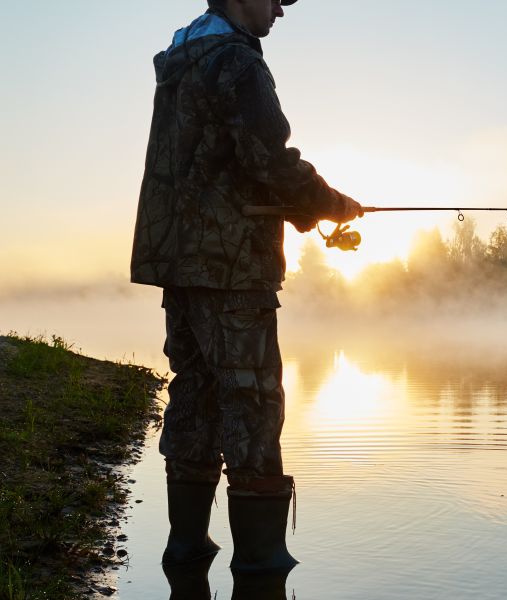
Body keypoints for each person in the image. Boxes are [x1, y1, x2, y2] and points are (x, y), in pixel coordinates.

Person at [130, 0, 361, 573]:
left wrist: (312, 212)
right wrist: (332, 205)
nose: (282, 8)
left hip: (179, 260)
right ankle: (261, 565)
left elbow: (215, 166)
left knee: (196, 397)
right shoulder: (235, 60)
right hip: (232, 265)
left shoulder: (183, 58)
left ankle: (186, 548)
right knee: (253, 403)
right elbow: (270, 161)